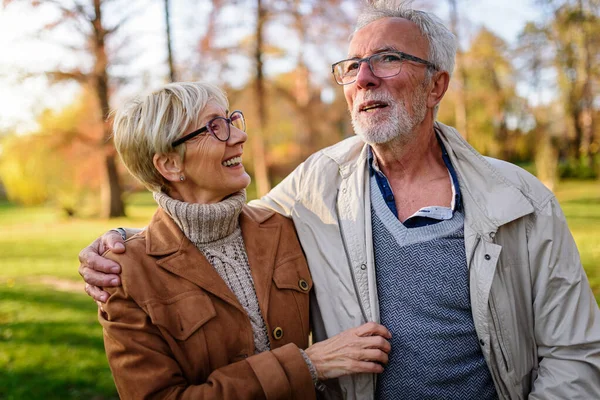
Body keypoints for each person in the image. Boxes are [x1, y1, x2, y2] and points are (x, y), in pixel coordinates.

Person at [79, 2, 600, 399]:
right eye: (352, 66)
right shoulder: (316, 185)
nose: (364, 77)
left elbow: (575, 353)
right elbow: (203, 221)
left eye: (388, 59)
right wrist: (122, 243)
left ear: (437, 84)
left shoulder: (522, 201)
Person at [90, 81, 392, 399]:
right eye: (215, 128)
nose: (239, 135)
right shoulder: (124, 276)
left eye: (231, 120)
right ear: (170, 164)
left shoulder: (282, 228)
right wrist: (307, 364)